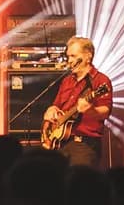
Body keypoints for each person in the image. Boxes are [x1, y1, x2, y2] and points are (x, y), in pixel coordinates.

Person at [43, 36, 114, 168]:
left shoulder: (101, 81)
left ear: (88, 56)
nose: (69, 61)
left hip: (84, 146)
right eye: (68, 56)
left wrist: (90, 110)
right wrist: (50, 111)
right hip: (60, 144)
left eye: (73, 56)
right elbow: (56, 105)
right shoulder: (67, 81)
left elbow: (105, 111)